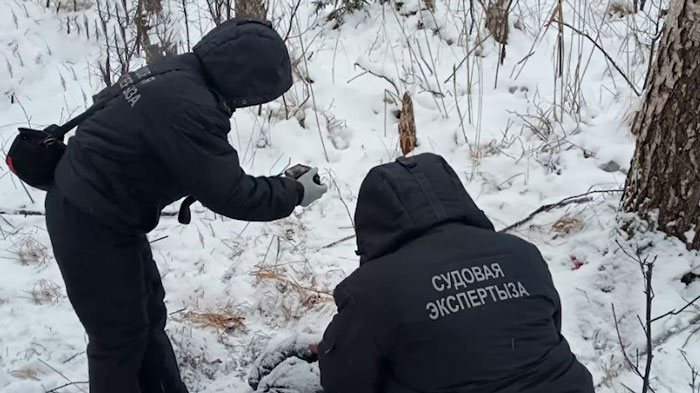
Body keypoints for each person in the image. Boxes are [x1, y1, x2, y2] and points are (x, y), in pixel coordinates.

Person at [45, 18, 327, 393]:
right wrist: (292, 192)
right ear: (245, 82)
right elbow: (231, 193)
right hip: (89, 219)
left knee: (147, 315)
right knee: (117, 339)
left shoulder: (178, 70)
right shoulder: (191, 107)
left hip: (103, 212)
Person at [248, 153, 594, 393]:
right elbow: (543, 332)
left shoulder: (373, 289)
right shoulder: (523, 254)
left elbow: (345, 381)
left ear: (372, 218)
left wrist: (325, 353)